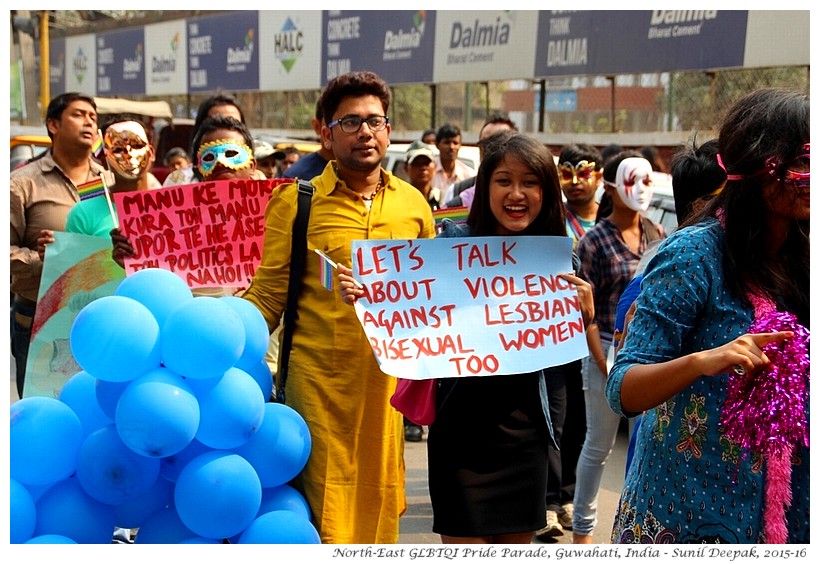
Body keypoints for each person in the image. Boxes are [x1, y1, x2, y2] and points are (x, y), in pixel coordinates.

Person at [340, 131, 593, 544]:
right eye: (504, 180)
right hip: (460, 439)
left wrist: (583, 314)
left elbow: (556, 348)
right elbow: (410, 311)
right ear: (485, 187)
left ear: (546, 191)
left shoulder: (561, 261)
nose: (517, 193)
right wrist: (373, 297)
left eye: (530, 182)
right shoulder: (450, 245)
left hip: (525, 443)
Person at [242, 70, 436, 544]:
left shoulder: (414, 205)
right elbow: (268, 295)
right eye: (350, 122)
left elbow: (435, 296)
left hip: (386, 394)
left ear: (389, 130)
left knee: (377, 510)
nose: (365, 132)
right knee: (319, 515)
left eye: (375, 121)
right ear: (325, 133)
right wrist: (220, 332)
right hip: (317, 390)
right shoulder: (296, 202)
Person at [608, 88, 809, 544]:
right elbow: (622, 389)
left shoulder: (806, 252)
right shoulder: (693, 256)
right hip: (685, 509)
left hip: (790, 514)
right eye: (802, 161)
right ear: (762, 167)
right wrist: (707, 359)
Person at [572, 151, 665, 543]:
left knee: (645, 445)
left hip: (647, 355)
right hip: (604, 353)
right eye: (632, 180)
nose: (640, 189)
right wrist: (603, 361)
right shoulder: (593, 241)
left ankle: (636, 528)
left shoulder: (659, 234)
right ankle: (582, 532)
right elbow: (585, 313)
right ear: (610, 186)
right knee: (598, 446)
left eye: (647, 181)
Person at [10, 92, 106, 399]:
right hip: (40, 315)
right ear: (53, 125)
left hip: (104, 313)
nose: (89, 122)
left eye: (93, 117)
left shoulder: (113, 182)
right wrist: (45, 261)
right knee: (43, 408)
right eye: (79, 114)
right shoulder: (22, 183)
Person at [533, 143, 604, 540]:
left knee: (583, 422)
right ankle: (548, 502)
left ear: (600, 177)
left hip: (597, 341)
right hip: (551, 340)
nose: (576, 183)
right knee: (553, 419)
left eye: (584, 173)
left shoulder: (617, 221)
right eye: (567, 174)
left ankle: (570, 495)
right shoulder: (551, 223)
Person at [111, 114, 258, 294]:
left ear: (252, 165)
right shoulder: (174, 225)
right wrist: (134, 260)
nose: (220, 162)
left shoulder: (278, 216)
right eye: (210, 156)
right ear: (199, 168)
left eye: (231, 153)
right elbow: (164, 292)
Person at [65, 116, 157, 237]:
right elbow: (75, 255)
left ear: (151, 153)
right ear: (104, 161)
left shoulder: (175, 207)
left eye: (137, 145)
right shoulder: (83, 214)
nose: (129, 155)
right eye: (118, 149)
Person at [163, 93, 265, 186]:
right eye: (214, 121)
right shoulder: (177, 181)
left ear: (252, 165)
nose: (220, 162)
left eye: (234, 121)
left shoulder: (260, 183)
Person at [443, 114, 518, 209]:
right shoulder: (458, 194)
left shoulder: (530, 197)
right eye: (486, 143)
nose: (492, 149)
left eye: (501, 142)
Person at [282, 98, 334, 181]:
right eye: (333, 123)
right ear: (317, 126)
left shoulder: (360, 172)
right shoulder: (295, 177)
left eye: (351, 122)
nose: (340, 129)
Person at [432, 123, 476, 203]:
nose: (451, 147)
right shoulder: (428, 171)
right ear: (437, 145)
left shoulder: (469, 175)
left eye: (455, 143)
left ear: (460, 145)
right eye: (447, 142)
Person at [404, 139, 440, 210]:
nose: (423, 168)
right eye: (417, 164)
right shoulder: (401, 199)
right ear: (406, 168)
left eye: (426, 163)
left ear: (435, 166)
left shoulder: (442, 198)